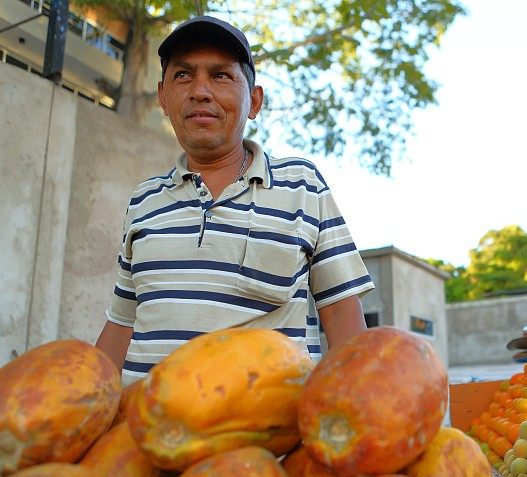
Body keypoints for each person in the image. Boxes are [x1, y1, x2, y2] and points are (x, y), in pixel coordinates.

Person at [95, 16, 374, 385]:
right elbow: (121, 324)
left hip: (266, 439)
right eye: (183, 76)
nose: (200, 91)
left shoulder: (303, 187)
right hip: (145, 433)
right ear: (163, 97)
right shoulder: (144, 200)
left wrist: (361, 408)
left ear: (254, 101)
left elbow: (341, 315)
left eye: (221, 75)